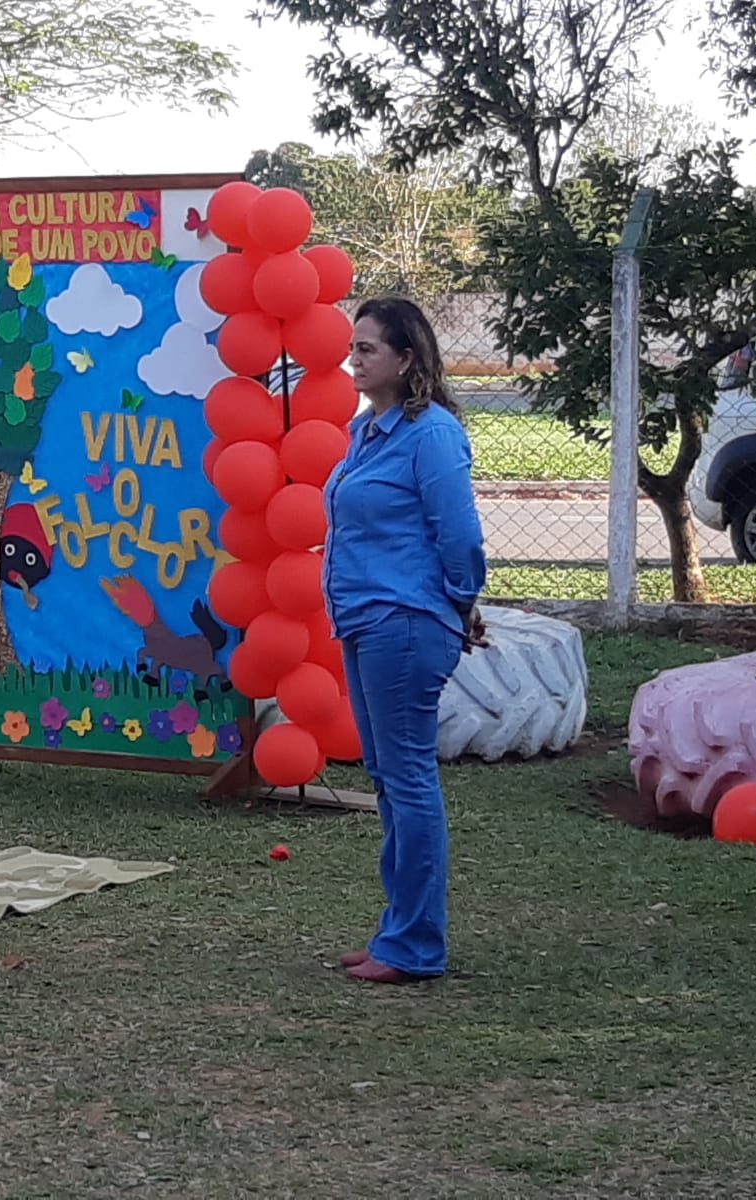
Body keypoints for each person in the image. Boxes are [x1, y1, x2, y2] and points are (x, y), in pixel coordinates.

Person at [321, 296, 488, 986]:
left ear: (406, 359)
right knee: (390, 779)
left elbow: (460, 535)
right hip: (364, 619)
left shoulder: (431, 434)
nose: (353, 360)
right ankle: (398, 931)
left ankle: (415, 944)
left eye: (366, 350)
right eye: (352, 348)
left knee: (408, 779)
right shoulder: (370, 431)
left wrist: (458, 601)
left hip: (403, 621)